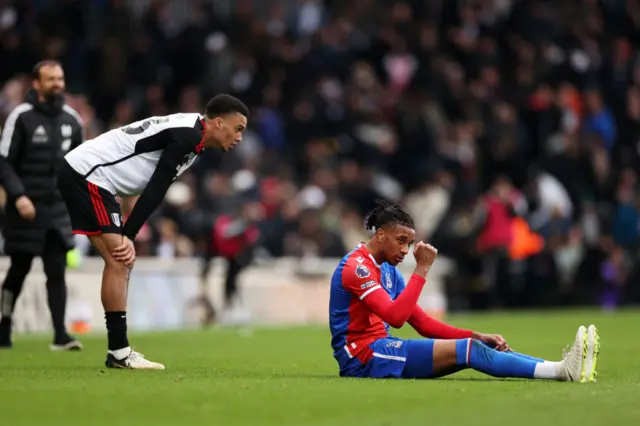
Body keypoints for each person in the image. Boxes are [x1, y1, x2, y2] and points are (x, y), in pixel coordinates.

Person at [57, 94, 249, 369]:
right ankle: (119, 353)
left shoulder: (192, 133)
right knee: (120, 259)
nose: (240, 136)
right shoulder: (187, 137)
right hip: (90, 175)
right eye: (238, 128)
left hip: (92, 175)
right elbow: (155, 189)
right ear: (219, 122)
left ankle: (119, 352)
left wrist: (127, 231)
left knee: (120, 262)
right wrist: (129, 234)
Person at [329, 200, 600, 382]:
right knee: (470, 351)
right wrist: (421, 270)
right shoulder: (357, 268)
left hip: (381, 350)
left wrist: (476, 334)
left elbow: (422, 323)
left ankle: (561, 367)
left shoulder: (386, 268)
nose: (404, 251)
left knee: (474, 346)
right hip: (363, 357)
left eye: (409, 244)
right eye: (401, 241)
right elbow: (395, 318)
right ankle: (560, 371)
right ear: (380, 236)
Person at [0, 60, 84, 350]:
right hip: (25, 209)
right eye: (51, 79)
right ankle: (4, 325)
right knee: (18, 270)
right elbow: (4, 162)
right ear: (36, 84)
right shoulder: (20, 117)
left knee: (56, 270)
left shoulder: (72, 120)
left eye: (60, 78)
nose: (57, 84)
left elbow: (80, 166)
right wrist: (18, 195)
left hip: (57, 211)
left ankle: (60, 334)